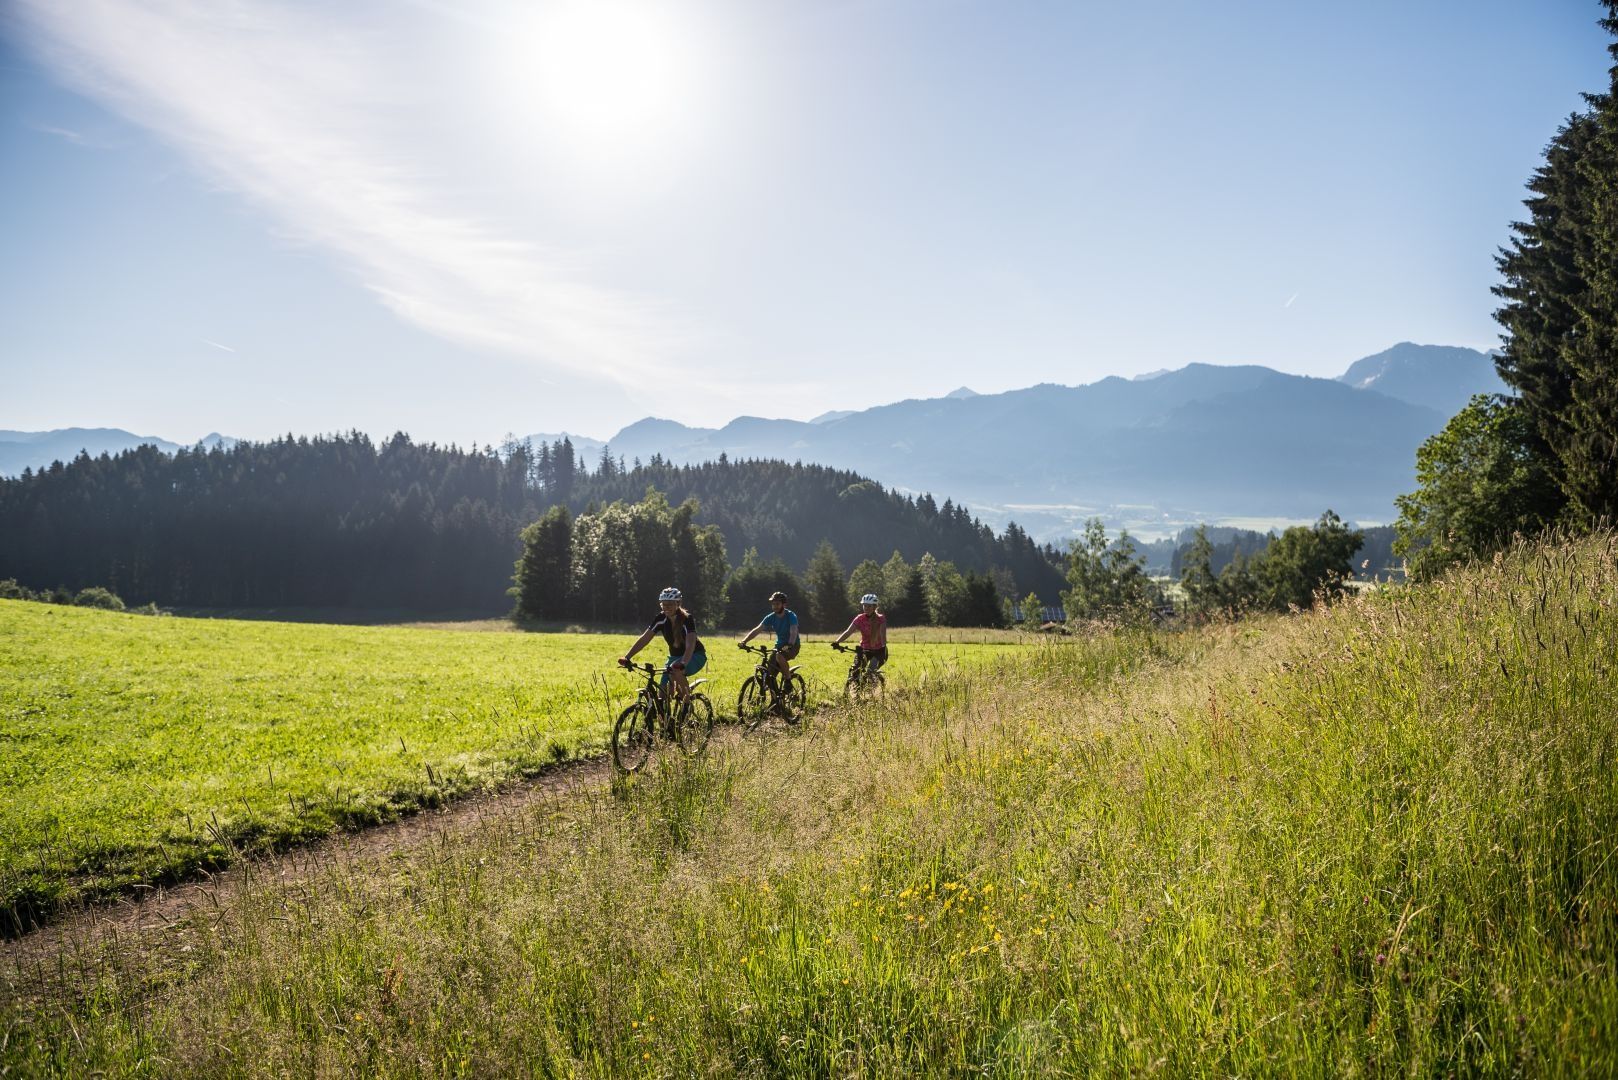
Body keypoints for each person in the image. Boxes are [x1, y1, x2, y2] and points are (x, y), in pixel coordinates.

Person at [620, 587, 705, 703]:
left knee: (675, 671)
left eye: (670, 604)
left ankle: (687, 705)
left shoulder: (687, 619)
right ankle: (666, 720)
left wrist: (683, 662)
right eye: (663, 604)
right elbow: (645, 638)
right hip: (674, 658)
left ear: (678, 603)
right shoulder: (661, 618)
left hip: (694, 655)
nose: (666, 607)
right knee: (663, 695)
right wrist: (627, 657)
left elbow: (691, 643)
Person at [738, 590, 799, 690]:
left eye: (777, 604)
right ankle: (775, 702)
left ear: (784, 604)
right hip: (779, 646)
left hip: (793, 645)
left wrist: (790, 644)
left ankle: (788, 681)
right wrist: (744, 641)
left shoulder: (791, 616)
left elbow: (793, 632)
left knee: (779, 656)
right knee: (769, 676)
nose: (775, 606)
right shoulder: (771, 617)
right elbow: (757, 630)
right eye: (773, 604)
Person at [831, 593, 888, 675]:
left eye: (869, 606)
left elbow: (883, 634)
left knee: (870, 672)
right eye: (865, 605)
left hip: (879, 651)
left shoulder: (880, 618)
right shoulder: (859, 618)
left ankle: (874, 687)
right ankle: (853, 686)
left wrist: (883, 647)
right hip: (864, 650)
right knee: (855, 671)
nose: (866, 608)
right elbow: (848, 632)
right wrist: (837, 642)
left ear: (874, 607)